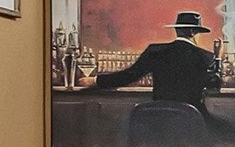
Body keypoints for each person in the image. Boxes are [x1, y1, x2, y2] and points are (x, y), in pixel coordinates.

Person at [91, 11, 224, 108]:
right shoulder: (205, 56)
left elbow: (128, 76)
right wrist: (218, 57)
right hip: (192, 120)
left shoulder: (155, 51)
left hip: (160, 117)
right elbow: (215, 84)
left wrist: (96, 81)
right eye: (198, 33)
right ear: (192, 33)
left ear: (178, 30)